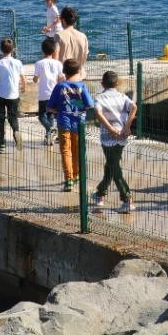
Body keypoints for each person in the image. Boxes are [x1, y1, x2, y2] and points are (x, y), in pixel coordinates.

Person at [91, 69, 137, 213]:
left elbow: (98, 113)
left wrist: (110, 129)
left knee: (115, 168)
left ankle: (127, 198)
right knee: (112, 165)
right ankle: (100, 194)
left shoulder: (100, 98)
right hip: (122, 136)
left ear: (102, 84)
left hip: (108, 138)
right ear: (117, 84)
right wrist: (127, 126)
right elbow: (134, 107)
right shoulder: (122, 96)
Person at [47, 58, 92, 191]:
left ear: (64, 72)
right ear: (78, 71)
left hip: (63, 122)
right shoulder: (82, 86)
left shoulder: (59, 86)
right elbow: (89, 105)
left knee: (66, 151)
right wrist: (76, 105)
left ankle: (68, 180)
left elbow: (49, 107)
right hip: (79, 123)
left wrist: (63, 109)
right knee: (78, 151)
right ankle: (77, 175)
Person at [0, 38, 25, 153]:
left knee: (1, 119)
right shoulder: (18, 62)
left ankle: (2, 143)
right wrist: (24, 87)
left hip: (1, 95)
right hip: (14, 95)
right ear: (13, 49)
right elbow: (23, 78)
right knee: (13, 117)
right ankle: (16, 131)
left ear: (1, 50)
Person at [34, 36, 63, 144]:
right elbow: (61, 78)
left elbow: (35, 79)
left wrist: (35, 78)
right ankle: (49, 137)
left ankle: (50, 129)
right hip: (54, 93)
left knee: (42, 116)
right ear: (54, 50)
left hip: (43, 94)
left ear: (42, 50)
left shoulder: (39, 63)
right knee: (50, 115)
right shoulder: (58, 64)